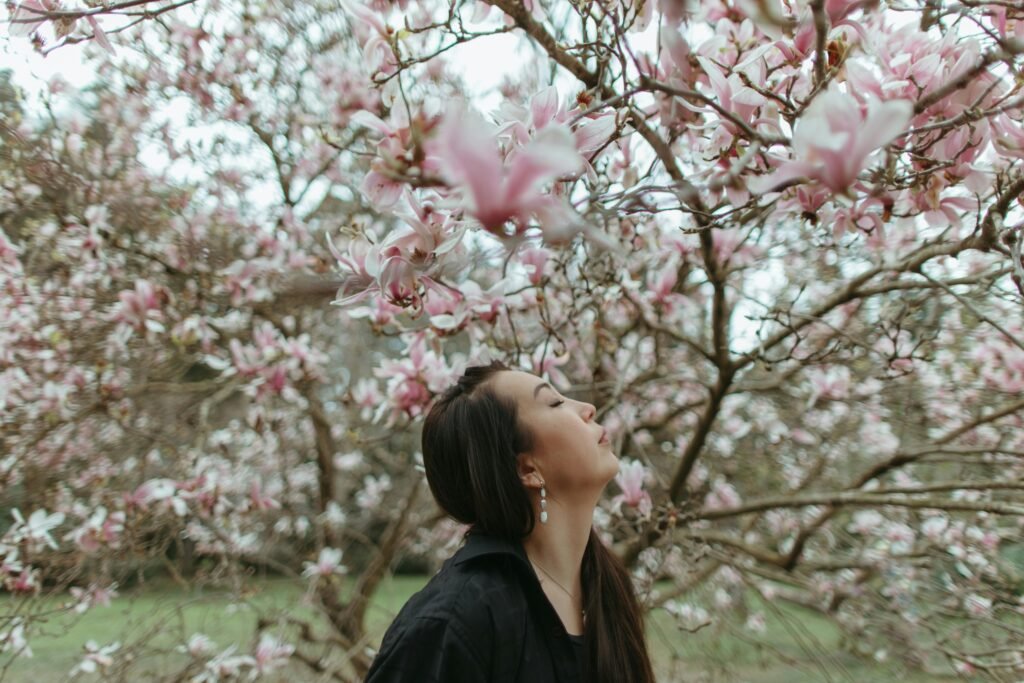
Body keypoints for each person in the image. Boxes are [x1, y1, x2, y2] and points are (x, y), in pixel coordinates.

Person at [364, 361, 656, 683]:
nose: (588, 408)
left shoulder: (606, 586)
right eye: (556, 402)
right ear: (526, 469)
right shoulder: (455, 620)